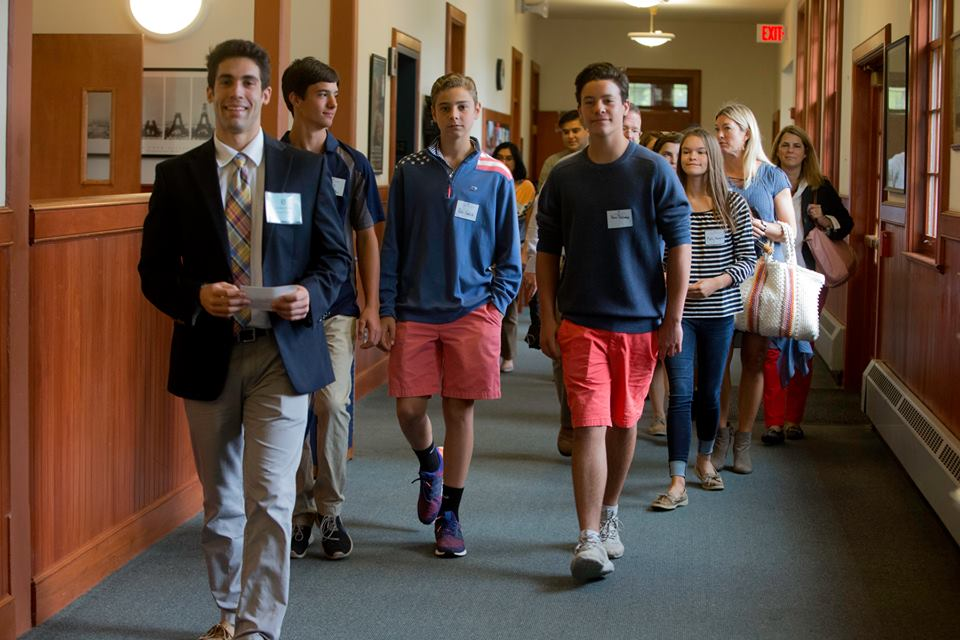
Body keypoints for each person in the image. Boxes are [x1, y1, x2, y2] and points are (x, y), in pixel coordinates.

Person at [138, 40, 351, 640]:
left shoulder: (305, 170)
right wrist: (195, 298)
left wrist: (312, 293)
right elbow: (153, 273)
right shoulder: (176, 176)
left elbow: (335, 262)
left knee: (271, 495)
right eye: (226, 81)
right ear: (210, 91)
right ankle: (228, 610)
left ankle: (259, 626)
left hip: (279, 355)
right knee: (222, 501)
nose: (237, 93)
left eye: (248, 82)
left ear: (264, 94)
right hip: (208, 352)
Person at [537, 62, 691, 580]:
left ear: (626, 108)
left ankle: (609, 515)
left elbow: (678, 247)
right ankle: (587, 539)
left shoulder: (653, 171)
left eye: (609, 100)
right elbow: (547, 251)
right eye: (589, 101)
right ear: (580, 108)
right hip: (582, 321)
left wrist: (673, 317)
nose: (599, 109)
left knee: (625, 423)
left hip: (641, 323)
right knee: (589, 424)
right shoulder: (564, 175)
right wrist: (546, 316)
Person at [379, 73, 521, 558]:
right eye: (444, 107)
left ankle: (451, 514)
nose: (454, 115)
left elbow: (510, 254)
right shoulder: (410, 170)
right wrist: (386, 306)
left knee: (459, 410)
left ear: (477, 109)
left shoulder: (496, 175)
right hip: (415, 310)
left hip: (472, 311)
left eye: (462, 106)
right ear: (433, 114)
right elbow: (392, 243)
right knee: (409, 409)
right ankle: (429, 463)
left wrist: (495, 308)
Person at [280, 57, 385, 560]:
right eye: (322, 94)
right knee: (294, 408)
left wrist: (371, 304)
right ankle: (300, 514)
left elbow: (366, 237)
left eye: (336, 94)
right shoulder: (271, 159)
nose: (333, 104)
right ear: (295, 99)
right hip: (285, 307)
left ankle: (331, 508)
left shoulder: (350, 162)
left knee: (332, 404)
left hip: (339, 305)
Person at [651, 128, 755, 510]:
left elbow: (748, 258)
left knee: (709, 394)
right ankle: (676, 479)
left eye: (700, 152)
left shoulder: (733, 204)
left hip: (718, 313)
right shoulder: (666, 202)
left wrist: (716, 283)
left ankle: (704, 459)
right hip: (677, 315)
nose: (692, 158)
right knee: (680, 392)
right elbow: (648, 255)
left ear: (712, 157)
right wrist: (668, 279)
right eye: (686, 153)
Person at [712, 102, 795, 474]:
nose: (720, 135)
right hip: (720, 273)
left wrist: (764, 227)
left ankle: (744, 438)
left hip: (761, 276)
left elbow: (790, 229)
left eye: (727, 128)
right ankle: (720, 434)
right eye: (717, 128)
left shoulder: (772, 175)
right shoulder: (712, 173)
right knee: (717, 361)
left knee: (755, 359)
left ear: (747, 133)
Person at [765, 124, 853, 441]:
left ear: (806, 152)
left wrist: (823, 220)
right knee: (773, 349)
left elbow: (846, 225)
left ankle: (793, 420)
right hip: (774, 275)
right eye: (785, 145)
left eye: (797, 146)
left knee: (804, 346)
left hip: (811, 279)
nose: (790, 151)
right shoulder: (764, 180)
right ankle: (773, 422)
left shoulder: (819, 187)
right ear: (777, 149)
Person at [520, 109, 590, 457]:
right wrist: (532, 264)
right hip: (562, 265)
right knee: (564, 348)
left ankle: (593, 423)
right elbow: (539, 219)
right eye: (567, 131)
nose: (572, 136)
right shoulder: (557, 167)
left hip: (599, 271)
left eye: (577, 130)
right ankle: (569, 421)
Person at [493, 141, 536, 373]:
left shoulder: (526, 187)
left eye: (509, 158)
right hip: (490, 250)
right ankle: (489, 354)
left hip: (515, 249)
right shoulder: (490, 181)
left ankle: (508, 354)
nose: (504, 162)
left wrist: (525, 253)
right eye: (499, 157)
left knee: (508, 306)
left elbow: (530, 222)